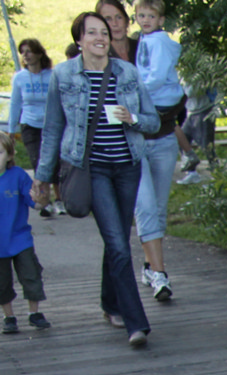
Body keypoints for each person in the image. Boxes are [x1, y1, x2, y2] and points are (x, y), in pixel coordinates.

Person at [33, 10, 160, 348]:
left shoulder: (127, 73)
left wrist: (132, 118)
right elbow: (52, 128)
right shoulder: (63, 76)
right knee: (118, 243)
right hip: (94, 169)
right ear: (79, 40)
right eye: (92, 33)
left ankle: (110, 303)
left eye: (104, 32)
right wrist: (42, 178)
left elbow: (152, 121)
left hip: (128, 166)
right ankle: (136, 323)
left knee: (116, 238)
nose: (100, 38)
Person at [0, 131, 50, 335]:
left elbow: (35, 203)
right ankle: (8, 316)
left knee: (31, 275)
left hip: (20, 238)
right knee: (0, 282)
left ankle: (34, 313)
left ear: (9, 154)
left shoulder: (18, 175)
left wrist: (41, 198)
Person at [132, 0, 183, 302]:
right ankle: (157, 271)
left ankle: (151, 265)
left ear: (161, 19)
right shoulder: (141, 41)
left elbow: (157, 75)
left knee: (157, 206)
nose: (146, 20)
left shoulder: (160, 42)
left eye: (151, 16)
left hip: (160, 114)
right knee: (146, 206)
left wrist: (135, 93)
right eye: (141, 15)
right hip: (142, 133)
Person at [9, 38, 57, 216]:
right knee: (38, 161)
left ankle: (58, 198)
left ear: (38, 53)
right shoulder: (20, 78)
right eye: (23, 52)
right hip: (29, 125)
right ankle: (44, 202)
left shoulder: (52, 76)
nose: (26, 55)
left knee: (52, 162)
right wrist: (11, 130)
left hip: (50, 125)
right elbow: (15, 104)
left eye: (29, 51)